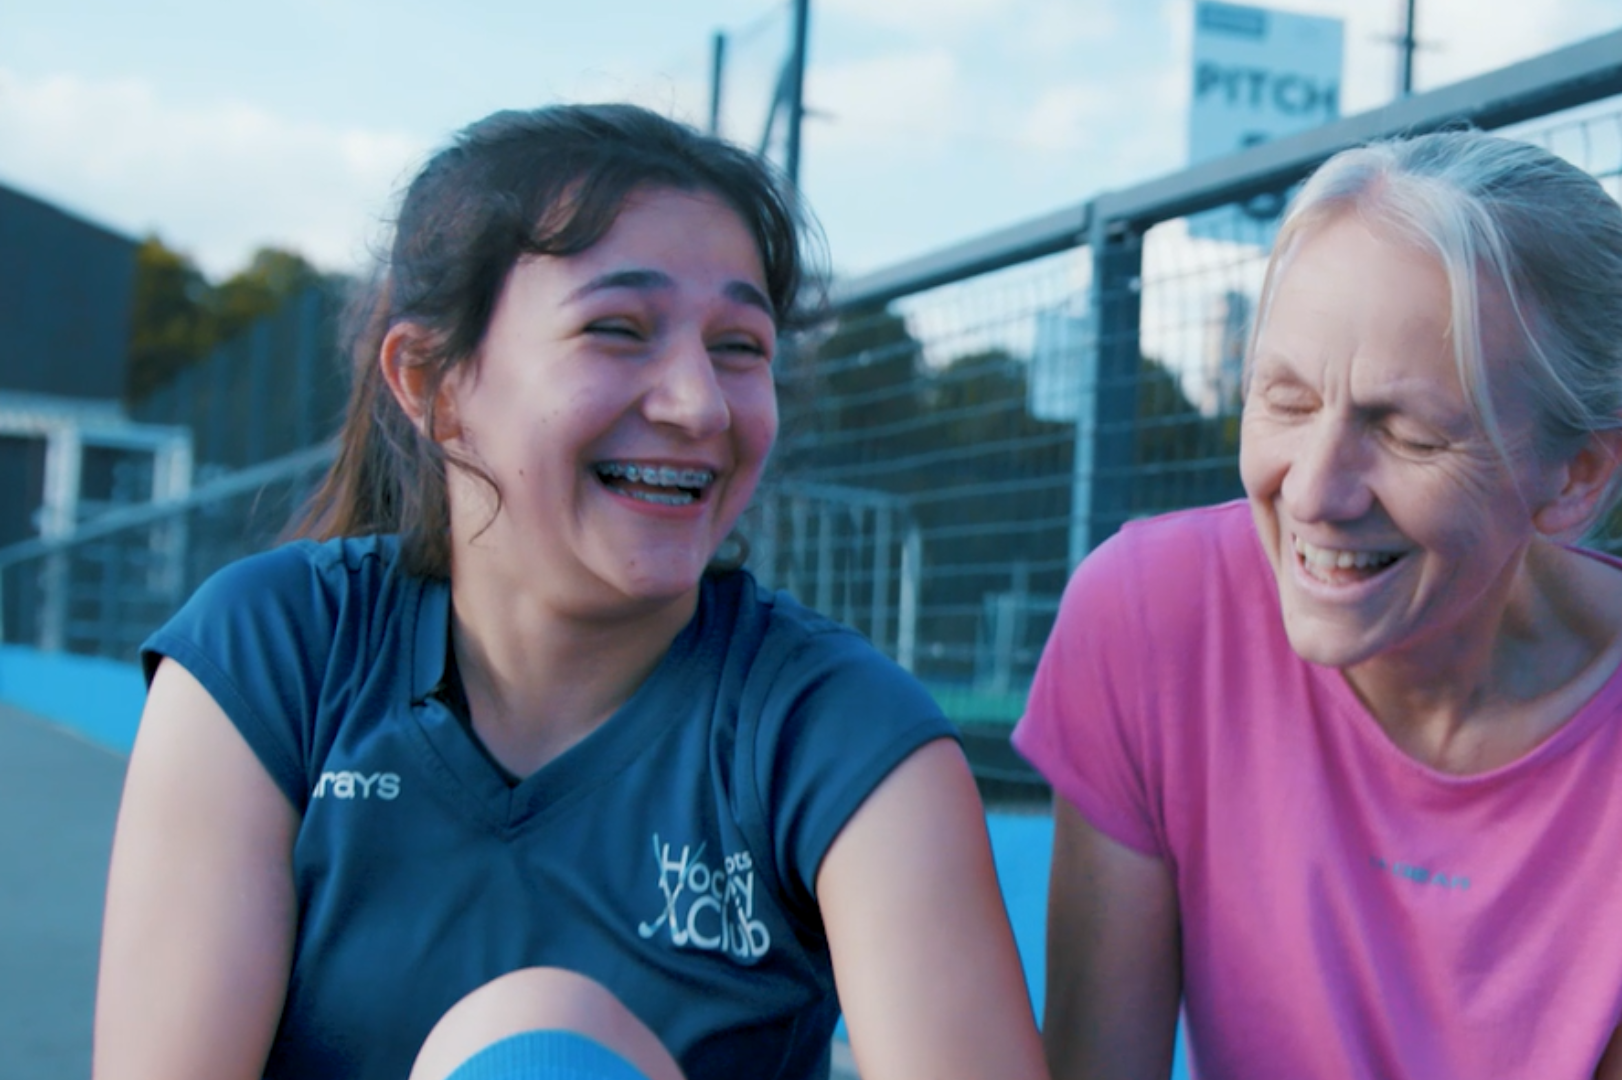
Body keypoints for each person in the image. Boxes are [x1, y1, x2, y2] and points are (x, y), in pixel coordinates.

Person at [95, 103, 1048, 1080]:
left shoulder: (838, 731)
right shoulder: (271, 652)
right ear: (432, 383)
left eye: (740, 347)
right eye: (618, 329)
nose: (699, 405)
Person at [1014, 129, 1622, 1080]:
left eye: (1405, 433)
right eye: (1285, 398)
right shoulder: (1147, 615)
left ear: (1575, 475)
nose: (1316, 490)